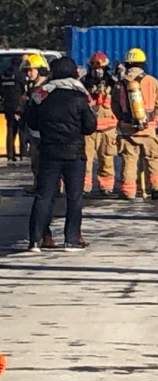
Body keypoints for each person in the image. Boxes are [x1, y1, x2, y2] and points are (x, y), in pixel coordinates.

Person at [23, 57, 96, 251]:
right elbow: (90, 127)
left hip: (48, 151)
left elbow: (31, 122)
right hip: (74, 153)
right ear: (73, 73)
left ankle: (35, 240)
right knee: (74, 197)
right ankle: (71, 239)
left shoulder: (41, 96)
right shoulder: (80, 96)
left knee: (44, 196)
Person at [114, 48, 158, 200]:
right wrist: (154, 119)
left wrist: (122, 119)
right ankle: (156, 188)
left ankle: (128, 191)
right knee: (153, 159)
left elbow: (114, 105)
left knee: (129, 161)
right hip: (148, 129)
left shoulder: (120, 84)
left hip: (128, 130)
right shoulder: (151, 81)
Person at [82, 52, 119, 196]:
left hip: (108, 130)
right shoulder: (84, 83)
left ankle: (106, 186)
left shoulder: (113, 83)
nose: (98, 71)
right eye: (95, 67)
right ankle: (84, 186)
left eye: (101, 68)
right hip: (89, 129)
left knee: (107, 160)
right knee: (86, 159)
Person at [17, 53, 49, 189]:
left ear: (40, 70)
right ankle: (38, 185)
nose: (28, 73)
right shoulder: (31, 88)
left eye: (31, 70)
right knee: (35, 161)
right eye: (27, 71)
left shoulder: (47, 87)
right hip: (33, 130)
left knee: (46, 161)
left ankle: (50, 187)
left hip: (45, 131)